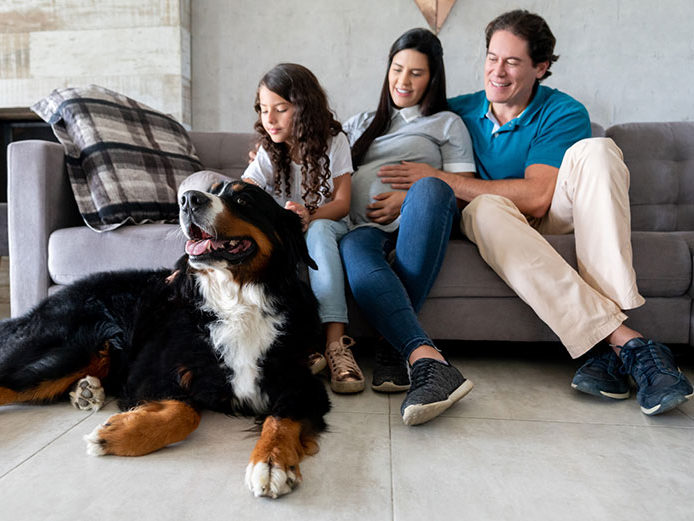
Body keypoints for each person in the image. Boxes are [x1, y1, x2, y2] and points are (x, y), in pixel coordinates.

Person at [380, 10, 692, 415]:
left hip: (552, 215)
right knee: (484, 209)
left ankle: (610, 344)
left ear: (541, 67)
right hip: (494, 222)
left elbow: (538, 198)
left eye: (512, 62)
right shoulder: (457, 112)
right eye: (492, 57)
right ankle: (624, 346)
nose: (498, 71)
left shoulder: (563, 110)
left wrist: (440, 177)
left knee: (596, 151)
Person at [339, 28, 476, 426]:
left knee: (433, 187)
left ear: (433, 78)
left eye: (416, 73)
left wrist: (412, 193)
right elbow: (318, 167)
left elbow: (463, 189)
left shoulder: (447, 124)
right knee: (351, 250)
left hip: (421, 220)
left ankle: (394, 345)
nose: (403, 81)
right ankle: (400, 349)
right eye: (397, 69)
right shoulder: (360, 123)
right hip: (364, 227)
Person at [241, 63, 364, 394]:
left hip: (330, 222)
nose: (271, 119)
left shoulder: (334, 140)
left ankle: (336, 345)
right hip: (290, 229)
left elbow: (342, 202)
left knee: (320, 231)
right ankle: (301, 345)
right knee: (275, 242)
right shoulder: (270, 149)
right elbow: (247, 189)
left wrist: (310, 214)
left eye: (281, 109)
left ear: (304, 106)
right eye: (264, 110)